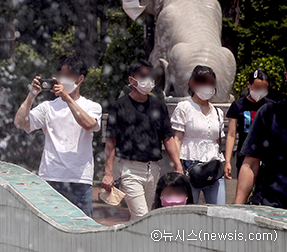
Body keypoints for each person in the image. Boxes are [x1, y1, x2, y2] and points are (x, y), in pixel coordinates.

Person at [14, 56, 102, 217]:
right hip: (50, 178)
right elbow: (20, 123)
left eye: (69, 76)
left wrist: (67, 98)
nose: (63, 80)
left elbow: (89, 124)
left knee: (82, 230)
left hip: (80, 180)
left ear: (80, 79)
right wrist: (31, 95)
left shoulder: (92, 106)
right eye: (61, 75)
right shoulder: (47, 107)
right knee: (48, 230)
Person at [102, 59, 184, 219]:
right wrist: (108, 173)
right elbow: (111, 141)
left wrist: (178, 167)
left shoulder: (159, 106)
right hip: (129, 170)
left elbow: (168, 138)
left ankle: (128, 243)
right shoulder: (119, 106)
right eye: (143, 76)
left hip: (153, 170)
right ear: (132, 80)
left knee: (144, 218)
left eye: (151, 76)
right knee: (142, 216)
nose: (148, 80)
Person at [171, 65, 226, 204]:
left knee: (218, 212)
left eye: (211, 83)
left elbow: (217, 141)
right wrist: (177, 166)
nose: (207, 87)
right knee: (189, 212)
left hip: (214, 167)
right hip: (190, 166)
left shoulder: (218, 112)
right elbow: (177, 139)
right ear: (193, 83)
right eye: (203, 82)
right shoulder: (184, 107)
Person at [235, 65, 287, 208]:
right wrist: (237, 209)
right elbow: (251, 163)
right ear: (286, 76)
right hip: (274, 209)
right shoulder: (269, 114)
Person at [224, 69, 275, 203]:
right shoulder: (238, 105)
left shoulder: (271, 106)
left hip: (266, 156)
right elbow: (231, 134)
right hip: (245, 155)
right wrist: (227, 160)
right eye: (257, 87)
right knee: (243, 191)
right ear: (249, 85)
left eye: (263, 88)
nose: (260, 91)